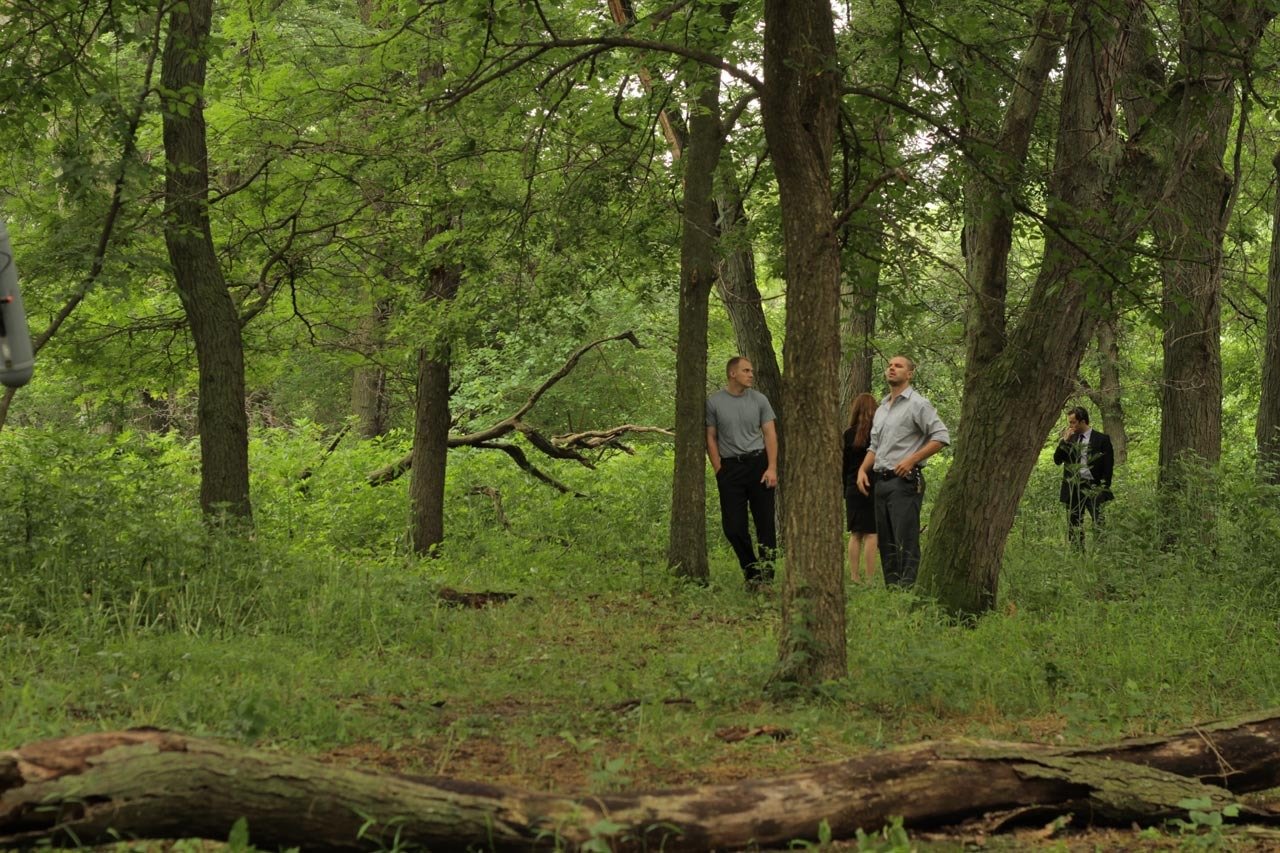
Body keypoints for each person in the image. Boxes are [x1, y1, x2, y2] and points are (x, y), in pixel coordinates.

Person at [856, 356, 949, 587]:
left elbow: (941, 436)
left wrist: (912, 460)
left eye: (898, 366)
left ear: (910, 374)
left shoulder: (918, 404)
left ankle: (908, 590)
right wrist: (862, 470)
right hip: (880, 481)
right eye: (889, 365)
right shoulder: (882, 408)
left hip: (904, 481)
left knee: (905, 539)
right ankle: (892, 590)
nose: (892, 368)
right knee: (885, 541)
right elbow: (875, 447)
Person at [706, 356, 779, 588]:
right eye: (746, 370)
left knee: (765, 525)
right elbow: (710, 436)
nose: (751, 374)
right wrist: (718, 467)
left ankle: (766, 579)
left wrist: (772, 467)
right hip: (730, 469)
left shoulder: (760, 400)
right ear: (732, 374)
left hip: (759, 465)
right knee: (733, 527)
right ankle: (752, 572)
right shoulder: (715, 402)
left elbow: (770, 434)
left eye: (752, 370)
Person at [1053, 406, 1114, 549]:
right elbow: (1057, 460)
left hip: (1093, 486)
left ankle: (1101, 551)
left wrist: (1103, 488)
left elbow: (1108, 466)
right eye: (1070, 422)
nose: (1070, 426)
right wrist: (1064, 442)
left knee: (1098, 520)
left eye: (1073, 422)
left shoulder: (1102, 439)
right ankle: (1077, 553)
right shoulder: (1070, 439)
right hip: (1074, 485)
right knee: (1074, 522)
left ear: (1083, 421)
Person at [842, 392, 879, 584]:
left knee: (855, 533)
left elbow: (844, 465)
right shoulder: (878, 434)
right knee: (872, 533)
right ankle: (871, 578)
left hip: (852, 487)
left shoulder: (848, 434)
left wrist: (845, 490)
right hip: (873, 485)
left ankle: (855, 577)